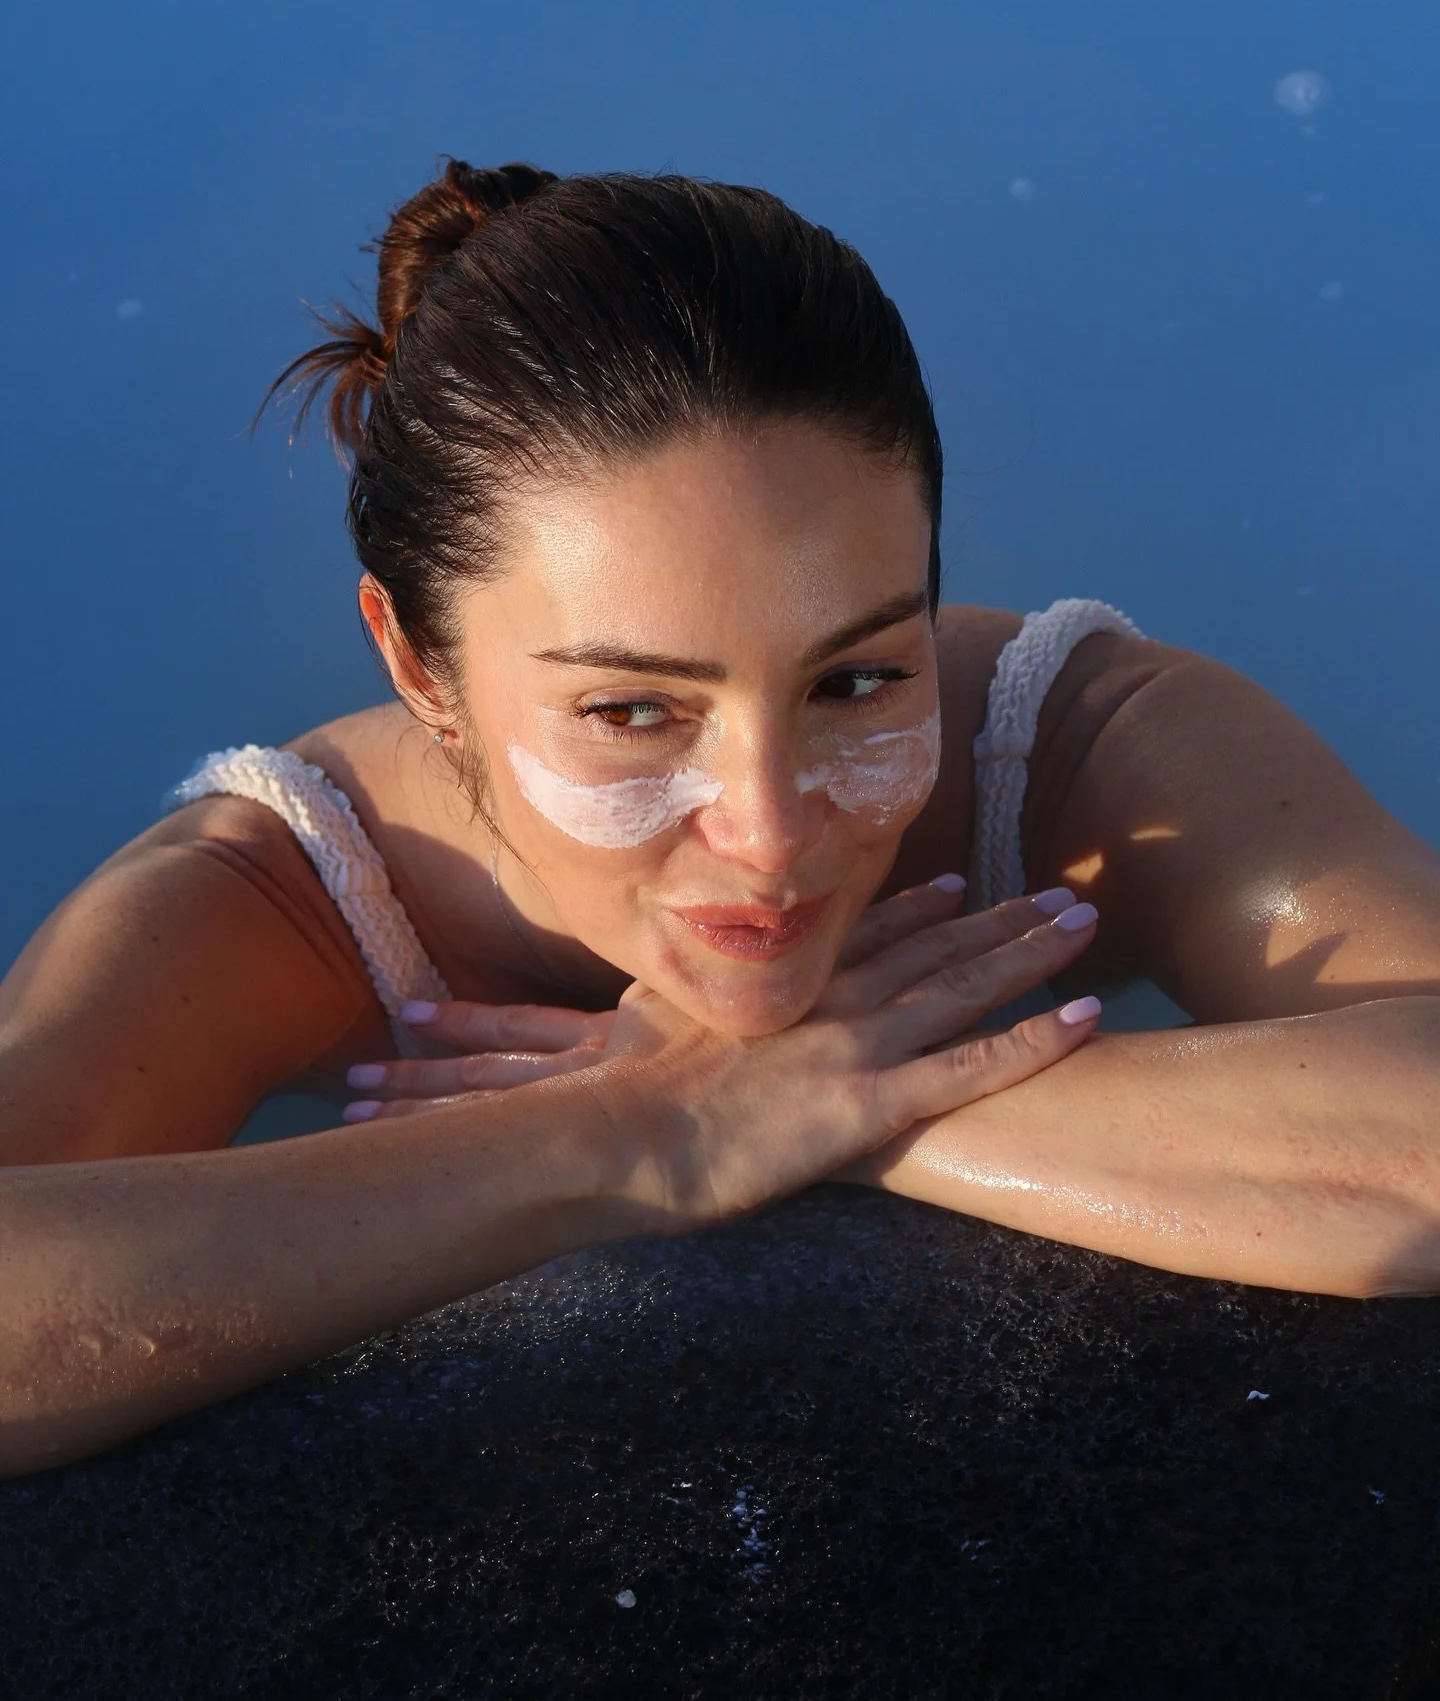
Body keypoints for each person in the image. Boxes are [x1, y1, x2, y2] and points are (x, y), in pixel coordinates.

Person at [3, 161, 1439, 1481]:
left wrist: (828, 1104)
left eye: (860, 677)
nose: (768, 828)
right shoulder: (291, 896)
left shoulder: (1064, 750)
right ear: (418, 664)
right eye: (634, 713)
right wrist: (637, 1132)